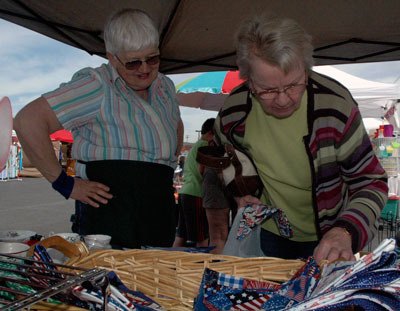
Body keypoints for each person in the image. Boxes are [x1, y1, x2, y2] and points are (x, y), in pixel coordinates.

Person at [212, 14, 388, 263]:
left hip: (330, 235)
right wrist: (239, 191)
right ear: (249, 80)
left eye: (294, 85)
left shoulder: (334, 107)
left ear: (306, 69)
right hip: (267, 233)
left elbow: (370, 181)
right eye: (268, 90)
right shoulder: (233, 113)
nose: (283, 100)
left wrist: (346, 230)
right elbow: (222, 158)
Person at [14, 8, 184, 249]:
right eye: (133, 62)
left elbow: (175, 123)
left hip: (159, 209)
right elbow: (27, 121)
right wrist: (65, 183)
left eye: (153, 58)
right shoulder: (97, 85)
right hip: (111, 213)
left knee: (156, 282)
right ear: (113, 58)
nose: (144, 68)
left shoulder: (165, 86)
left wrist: (168, 160)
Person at [173, 118, 215, 248]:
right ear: (211, 133)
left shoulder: (195, 146)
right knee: (201, 237)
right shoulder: (205, 145)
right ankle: (200, 266)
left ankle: (170, 263)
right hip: (196, 194)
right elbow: (201, 169)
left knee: (181, 234)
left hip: (185, 192)